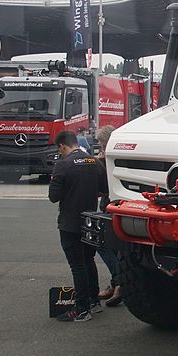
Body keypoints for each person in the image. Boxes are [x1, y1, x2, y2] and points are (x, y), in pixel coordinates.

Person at [49, 130, 107, 322]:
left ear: (62, 146)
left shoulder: (62, 165)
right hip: (90, 221)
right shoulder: (94, 162)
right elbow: (105, 189)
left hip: (70, 222)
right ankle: (94, 302)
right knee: (89, 260)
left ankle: (81, 309)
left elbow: (53, 196)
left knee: (77, 266)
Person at [94, 124, 123, 307]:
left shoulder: (106, 161)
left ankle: (119, 281)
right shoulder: (119, 157)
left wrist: (100, 161)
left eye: (102, 145)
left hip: (110, 206)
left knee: (102, 244)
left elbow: (101, 188)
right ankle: (116, 283)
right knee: (117, 247)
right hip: (119, 205)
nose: (101, 149)